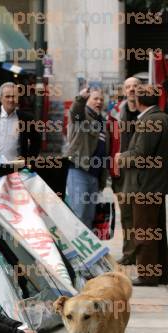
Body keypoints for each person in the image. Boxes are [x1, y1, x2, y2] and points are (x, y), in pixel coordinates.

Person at [116, 84, 168, 287]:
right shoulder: (161, 117)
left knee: (144, 231)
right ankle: (161, 272)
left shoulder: (150, 121)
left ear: (139, 101)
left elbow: (140, 155)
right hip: (155, 185)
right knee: (157, 231)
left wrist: (121, 158)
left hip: (145, 186)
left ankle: (148, 275)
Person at [65, 87, 110, 229]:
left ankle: (86, 251)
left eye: (101, 99)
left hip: (95, 176)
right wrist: (80, 98)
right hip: (79, 171)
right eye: (95, 99)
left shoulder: (103, 121)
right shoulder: (82, 116)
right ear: (87, 101)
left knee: (90, 217)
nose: (99, 102)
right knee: (78, 214)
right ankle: (74, 251)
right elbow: (75, 111)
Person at [108, 77, 141, 265]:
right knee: (127, 216)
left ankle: (143, 256)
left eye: (135, 86)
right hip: (122, 173)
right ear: (124, 90)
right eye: (128, 87)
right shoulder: (116, 113)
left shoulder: (145, 113)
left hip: (141, 173)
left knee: (141, 217)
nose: (131, 90)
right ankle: (129, 254)